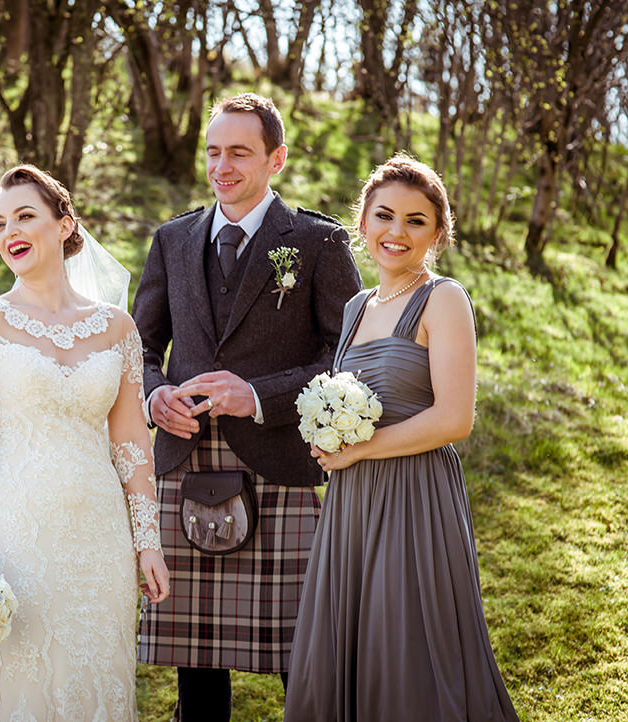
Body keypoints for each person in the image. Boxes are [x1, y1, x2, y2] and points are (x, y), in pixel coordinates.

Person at [134, 93, 363, 719]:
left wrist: (260, 396)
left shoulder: (317, 241)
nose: (222, 166)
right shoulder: (173, 239)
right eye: (213, 151)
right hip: (183, 462)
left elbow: (345, 357)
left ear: (276, 159)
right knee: (198, 671)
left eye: (239, 152)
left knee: (304, 661)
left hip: (279, 463)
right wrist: (155, 397)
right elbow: (138, 347)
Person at [283, 155, 518, 721]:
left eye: (417, 220)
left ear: (438, 232)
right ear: (362, 222)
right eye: (385, 216)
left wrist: (359, 448)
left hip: (415, 497)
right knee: (349, 637)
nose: (397, 232)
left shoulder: (444, 300)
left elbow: (453, 419)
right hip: (352, 503)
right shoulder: (356, 307)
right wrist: (327, 438)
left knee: (405, 638)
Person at [0, 164, 170, 720]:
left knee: (97, 673)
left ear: (66, 225)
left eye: (25, 216)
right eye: (0, 223)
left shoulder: (118, 328)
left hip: (102, 538)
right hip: (17, 531)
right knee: (26, 676)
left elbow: (132, 444)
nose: (9, 233)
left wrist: (148, 542)